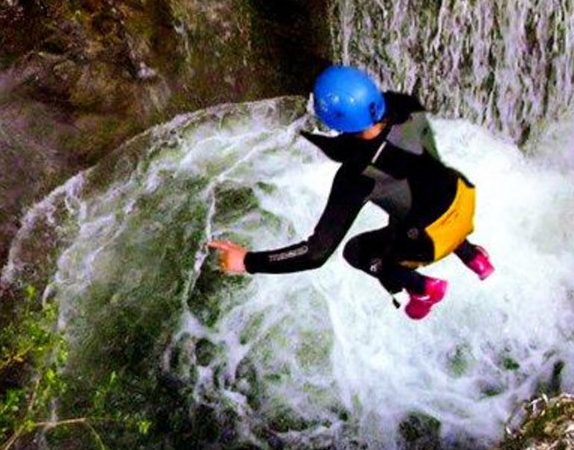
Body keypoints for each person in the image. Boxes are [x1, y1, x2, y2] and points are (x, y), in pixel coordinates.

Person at [208, 64, 494, 320]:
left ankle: (422, 288)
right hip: (463, 199)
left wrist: (248, 261)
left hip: (433, 239)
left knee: (358, 251)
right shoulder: (404, 109)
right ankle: (474, 258)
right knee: (412, 194)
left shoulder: (356, 176)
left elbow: (315, 254)